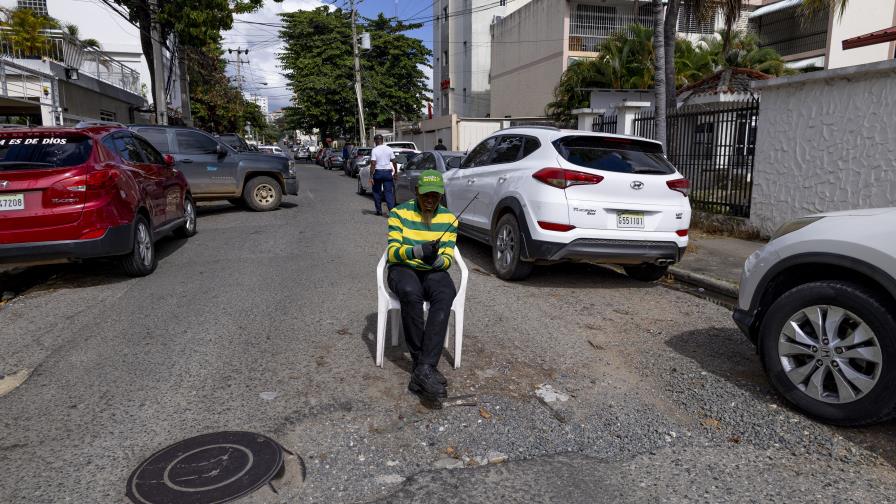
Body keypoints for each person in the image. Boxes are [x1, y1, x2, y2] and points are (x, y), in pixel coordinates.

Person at [387, 170, 458, 400]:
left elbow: (447, 259)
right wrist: (417, 251)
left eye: (435, 196)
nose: (430, 200)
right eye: (426, 195)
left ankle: (423, 369)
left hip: (432, 270)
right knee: (410, 292)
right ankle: (423, 366)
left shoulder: (450, 219)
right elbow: (393, 253)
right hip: (402, 268)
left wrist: (435, 259)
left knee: (446, 292)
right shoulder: (398, 213)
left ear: (441, 195)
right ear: (417, 192)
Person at [369, 134, 397, 215]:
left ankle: (379, 210)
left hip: (378, 172)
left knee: (377, 192)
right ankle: (391, 212)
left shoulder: (374, 150)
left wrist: (371, 176)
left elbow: (373, 163)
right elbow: (394, 161)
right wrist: (395, 172)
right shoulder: (389, 149)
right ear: (382, 140)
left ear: (375, 141)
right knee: (388, 192)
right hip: (388, 172)